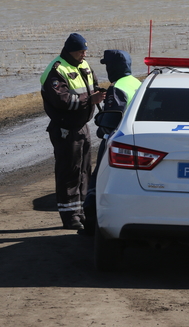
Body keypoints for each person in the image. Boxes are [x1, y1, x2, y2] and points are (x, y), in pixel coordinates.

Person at [40, 33, 105, 230]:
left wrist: (101, 94)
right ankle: (70, 217)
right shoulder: (57, 70)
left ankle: (83, 211)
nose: (84, 54)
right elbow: (62, 100)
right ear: (70, 51)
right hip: (65, 129)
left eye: (85, 50)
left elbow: (91, 86)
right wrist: (89, 100)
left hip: (82, 127)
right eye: (80, 51)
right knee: (69, 172)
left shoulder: (83, 65)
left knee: (85, 171)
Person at [83, 49, 142, 233]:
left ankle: (91, 225)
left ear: (113, 67)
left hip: (114, 141)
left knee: (97, 181)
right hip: (135, 139)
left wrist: (100, 126)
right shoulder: (137, 82)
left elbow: (109, 122)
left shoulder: (117, 88)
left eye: (107, 65)